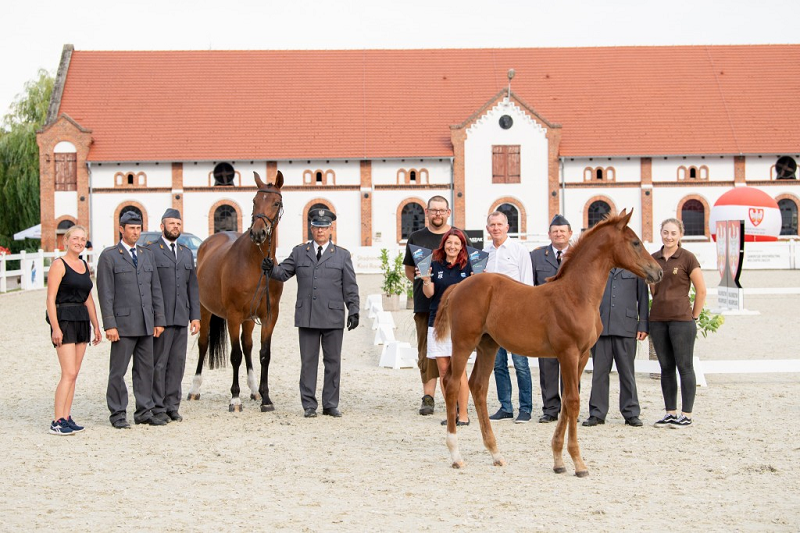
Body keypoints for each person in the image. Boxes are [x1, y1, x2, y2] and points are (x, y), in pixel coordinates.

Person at [264, 208, 360, 418]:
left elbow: (350, 286)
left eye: (324, 227)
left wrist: (354, 309)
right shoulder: (300, 252)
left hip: (333, 317)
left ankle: (330, 404)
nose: (320, 231)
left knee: (333, 362)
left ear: (330, 229)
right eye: (317, 227)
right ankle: (309, 404)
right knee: (308, 362)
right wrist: (270, 268)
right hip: (307, 317)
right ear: (311, 228)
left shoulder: (342, 255)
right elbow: (283, 273)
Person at [97, 211, 166, 429]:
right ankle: (117, 413)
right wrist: (110, 324)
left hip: (147, 324)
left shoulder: (147, 255)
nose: (135, 233)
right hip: (123, 326)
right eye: (131, 229)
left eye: (138, 229)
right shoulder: (109, 256)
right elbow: (105, 293)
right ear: (121, 229)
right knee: (118, 372)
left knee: (145, 370)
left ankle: (144, 411)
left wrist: (159, 320)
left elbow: (155, 289)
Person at [45, 225, 102, 435]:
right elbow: (50, 298)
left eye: (82, 239)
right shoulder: (58, 265)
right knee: (67, 373)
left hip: (81, 319)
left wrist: (96, 325)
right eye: (75, 238)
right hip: (64, 319)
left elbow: (88, 297)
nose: (79, 242)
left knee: (74, 373)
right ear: (66, 241)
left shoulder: (84, 265)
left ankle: (67, 417)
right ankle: (57, 421)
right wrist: (55, 328)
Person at [650, 218, 706, 428]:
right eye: (666, 232)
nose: (669, 236)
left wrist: (695, 316)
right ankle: (670, 412)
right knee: (666, 367)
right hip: (658, 319)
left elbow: (701, 290)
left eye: (673, 233)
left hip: (682, 320)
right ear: (661, 233)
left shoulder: (687, 258)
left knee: (684, 366)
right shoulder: (654, 258)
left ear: (680, 234)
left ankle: (687, 414)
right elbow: (654, 291)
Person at [145, 208, 200, 423]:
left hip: (180, 317)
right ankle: (157, 407)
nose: (175, 227)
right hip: (161, 319)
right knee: (159, 364)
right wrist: (155, 318)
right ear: (162, 226)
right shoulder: (151, 251)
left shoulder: (186, 252)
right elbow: (148, 287)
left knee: (178, 363)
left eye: (178, 224)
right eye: (171, 224)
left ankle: (172, 406)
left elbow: (192, 287)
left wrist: (195, 316)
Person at [418, 228, 473, 426]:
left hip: (461, 324)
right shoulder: (434, 264)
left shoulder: (470, 268)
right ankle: (452, 413)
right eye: (449, 243)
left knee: (459, 370)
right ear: (444, 245)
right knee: (443, 372)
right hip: (437, 322)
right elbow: (429, 293)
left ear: (462, 247)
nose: (452, 246)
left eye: (457, 244)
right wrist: (426, 280)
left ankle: (464, 415)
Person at [403, 196, 452, 416]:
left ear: (448, 212)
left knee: (453, 351)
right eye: (434, 210)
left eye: (442, 210)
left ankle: (454, 397)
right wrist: (421, 280)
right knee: (427, 351)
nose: (438, 214)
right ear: (427, 212)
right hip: (424, 305)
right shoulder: (416, 237)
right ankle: (428, 397)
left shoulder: (457, 236)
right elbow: (408, 270)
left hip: (453, 306)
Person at [484, 211, 534, 424]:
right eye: (492, 225)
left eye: (499, 224)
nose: (496, 228)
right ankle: (505, 406)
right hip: (492, 317)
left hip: (516, 315)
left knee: (521, 363)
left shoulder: (519, 250)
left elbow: (527, 283)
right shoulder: (484, 253)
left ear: (507, 227)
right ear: (488, 229)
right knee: (498, 364)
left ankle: (526, 408)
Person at [583, 268, 649, 428]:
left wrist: (643, 325)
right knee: (599, 373)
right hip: (600, 327)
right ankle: (597, 413)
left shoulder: (635, 268)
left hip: (626, 327)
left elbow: (643, 298)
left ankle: (631, 413)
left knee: (627, 373)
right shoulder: (599, 267)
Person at [530, 214, 572, 423]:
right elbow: (530, 286)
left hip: (571, 320)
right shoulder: (537, 256)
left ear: (569, 233)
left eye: (562, 231)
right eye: (555, 231)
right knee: (547, 367)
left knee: (571, 365)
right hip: (545, 320)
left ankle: (568, 406)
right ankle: (550, 409)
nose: (559, 234)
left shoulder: (578, 256)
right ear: (549, 234)